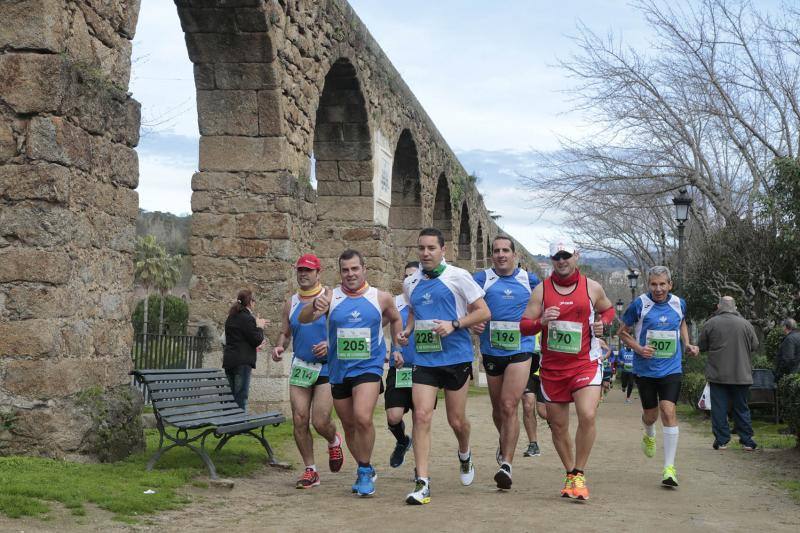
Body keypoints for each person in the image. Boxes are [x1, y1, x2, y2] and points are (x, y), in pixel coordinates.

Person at [299, 249, 403, 497]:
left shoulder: (381, 297)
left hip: (369, 367)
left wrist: (397, 347)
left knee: (362, 417)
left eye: (355, 269)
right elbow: (303, 318)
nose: (350, 274)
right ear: (340, 272)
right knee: (348, 424)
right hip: (339, 370)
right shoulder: (329, 296)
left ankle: (365, 471)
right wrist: (314, 305)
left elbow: (396, 319)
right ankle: (363, 464)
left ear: (364, 269)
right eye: (345, 270)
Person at [399, 227, 491, 505]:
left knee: (456, 420)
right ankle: (422, 482)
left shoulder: (458, 276)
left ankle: (464, 453)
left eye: (431, 248)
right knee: (421, 416)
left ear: (443, 251)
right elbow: (414, 309)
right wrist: (408, 330)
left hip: (456, 357)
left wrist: (455, 324)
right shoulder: (411, 282)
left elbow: (484, 311)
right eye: (421, 248)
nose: (425, 253)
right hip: (425, 358)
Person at [519, 237, 615, 501]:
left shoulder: (591, 287)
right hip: (553, 368)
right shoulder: (541, 290)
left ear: (576, 256)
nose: (561, 261)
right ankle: (570, 473)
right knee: (558, 425)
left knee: (587, 414)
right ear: (552, 261)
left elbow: (608, 311)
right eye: (556, 257)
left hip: (585, 362)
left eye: (566, 255)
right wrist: (541, 321)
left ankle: (580, 472)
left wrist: (602, 325)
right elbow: (524, 326)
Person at [618, 266, 699, 487]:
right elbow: (622, 332)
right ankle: (649, 432)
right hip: (645, 370)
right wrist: (639, 348)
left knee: (668, 410)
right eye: (654, 284)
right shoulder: (640, 305)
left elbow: (681, 321)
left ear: (670, 285)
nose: (658, 289)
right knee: (651, 415)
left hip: (671, 368)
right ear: (649, 285)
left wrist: (687, 343)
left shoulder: (678, 303)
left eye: (663, 284)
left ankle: (669, 468)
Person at [471, 235, 540, 489]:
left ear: (514, 255)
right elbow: (467, 303)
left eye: (505, 251)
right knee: (499, 408)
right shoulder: (481, 279)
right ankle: (505, 440)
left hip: (521, 350)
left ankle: (506, 465)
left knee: (510, 404)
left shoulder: (529, 280)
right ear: (492, 255)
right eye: (496, 251)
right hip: (492, 352)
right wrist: (473, 320)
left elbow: (546, 304)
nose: (501, 255)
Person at [272, 254, 344, 489]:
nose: (303, 274)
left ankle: (333, 440)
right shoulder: (291, 302)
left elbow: (346, 329)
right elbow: (285, 330)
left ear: (318, 273)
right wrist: (279, 345)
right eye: (300, 270)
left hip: (326, 367)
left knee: (320, 421)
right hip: (301, 366)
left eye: (308, 270)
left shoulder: (330, 298)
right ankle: (310, 470)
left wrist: (331, 346)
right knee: (299, 418)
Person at [699, 296, 760, 451]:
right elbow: (755, 346)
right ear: (735, 307)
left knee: (719, 408)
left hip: (718, 374)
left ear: (719, 306)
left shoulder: (710, 323)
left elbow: (702, 346)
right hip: (742, 374)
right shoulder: (746, 324)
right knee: (742, 407)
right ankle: (747, 440)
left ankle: (721, 440)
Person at [385, 261, 420, 468]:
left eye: (415, 276)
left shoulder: (427, 300)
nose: (411, 280)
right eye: (407, 276)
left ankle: (420, 468)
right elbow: (373, 324)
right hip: (398, 366)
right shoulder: (393, 302)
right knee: (393, 416)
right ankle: (402, 441)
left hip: (424, 367)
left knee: (420, 419)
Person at [223, 289, 268, 411]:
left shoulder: (231, 317)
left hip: (229, 361)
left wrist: (255, 347)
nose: (255, 303)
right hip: (242, 363)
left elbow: (238, 340)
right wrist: (260, 326)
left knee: (229, 397)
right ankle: (239, 425)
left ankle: (227, 424)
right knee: (240, 396)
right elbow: (256, 339)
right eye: (254, 301)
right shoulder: (247, 318)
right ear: (250, 302)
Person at [522, 333, 548, 458]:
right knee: (527, 405)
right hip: (526, 367)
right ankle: (533, 444)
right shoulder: (524, 317)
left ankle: (558, 429)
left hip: (546, 370)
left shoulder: (548, 316)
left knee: (543, 412)